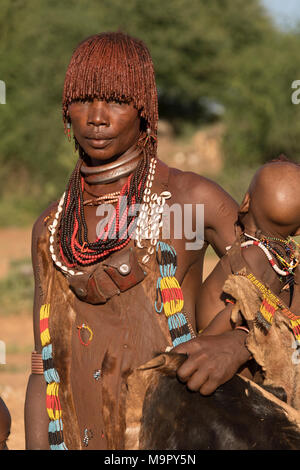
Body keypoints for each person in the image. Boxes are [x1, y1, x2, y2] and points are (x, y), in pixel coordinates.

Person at [24, 31, 250, 450]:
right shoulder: (50, 230)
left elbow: (280, 283)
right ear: (66, 109)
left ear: (144, 109)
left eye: (115, 100)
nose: (96, 117)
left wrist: (234, 345)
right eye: (83, 100)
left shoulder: (190, 199)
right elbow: (44, 370)